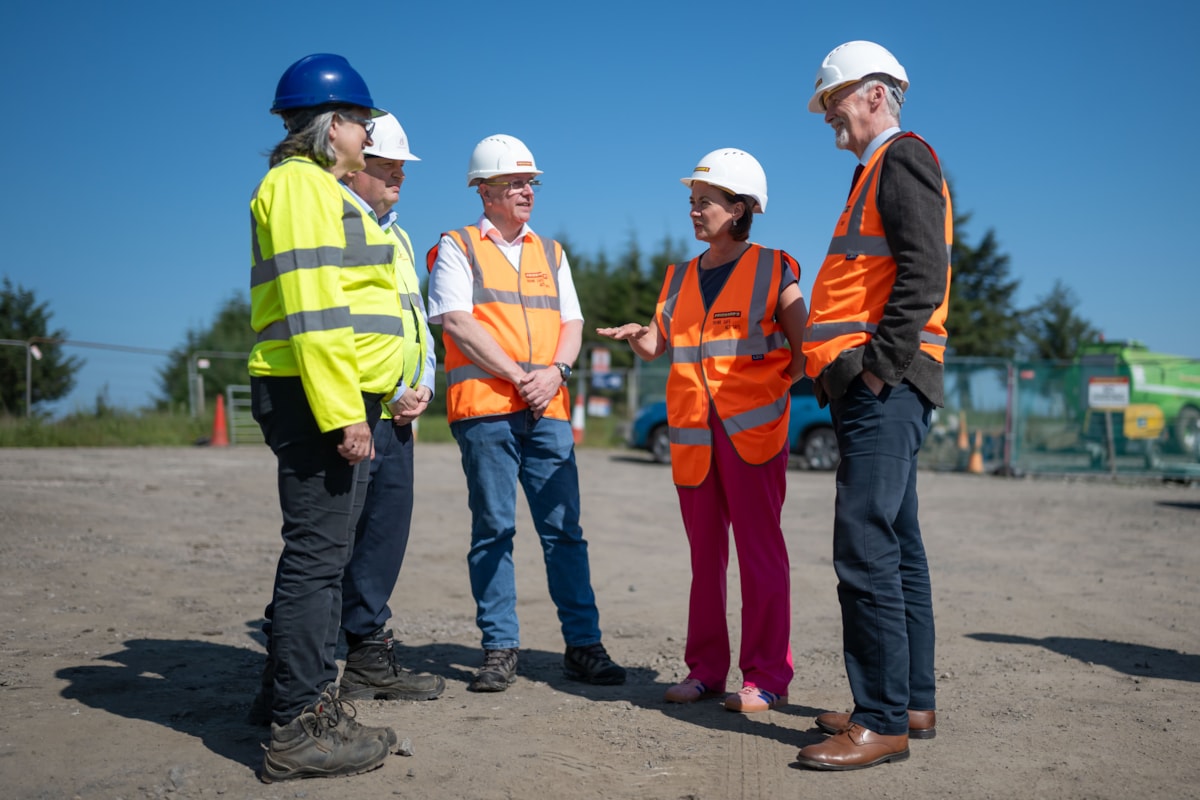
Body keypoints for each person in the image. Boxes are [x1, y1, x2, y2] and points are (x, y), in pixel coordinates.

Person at [597, 149, 807, 714]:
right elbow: (661, 346)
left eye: (705, 203)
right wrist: (641, 336)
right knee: (705, 558)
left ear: (739, 209)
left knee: (761, 555)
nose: (694, 212)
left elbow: (805, 346)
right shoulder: (679, 277)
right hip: (694, 438)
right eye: (691, 203)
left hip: (753, 435)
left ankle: (766, 677)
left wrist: (773, 387)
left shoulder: (774, 267)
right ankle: (706, 671)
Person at [793, 41, 952, 771]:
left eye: (835, 102)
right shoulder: (875, 170)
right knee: (898, 543)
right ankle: (907, 699)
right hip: (880, 385)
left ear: (875, 96)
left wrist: (878, 374)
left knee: (864, 543)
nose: (829, 117)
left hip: (883, 386)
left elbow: (923, 273)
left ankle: (881, 720)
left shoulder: (902, 158)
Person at [248, 53, 403, 782]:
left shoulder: (317, 188)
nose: (369, 135)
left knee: (319, 555)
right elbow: (315, 309)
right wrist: (346, 414)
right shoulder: (303, 187)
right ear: (330, 125)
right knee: (317, 561)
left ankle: (299, 702)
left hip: (325, 395)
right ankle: (298, 727)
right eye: (362, 122)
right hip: (319, 400)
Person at [425, 133, 625, 693]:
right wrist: (520, 377)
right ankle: (499, 648)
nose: (526, 192)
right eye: (514, 183)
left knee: (566, 531)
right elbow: (457, 321)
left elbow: (573, 324)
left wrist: (555, 374)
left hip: (549, 407)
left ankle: (583, 647)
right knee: (494, 528)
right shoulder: (456, 246)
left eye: (530, 183)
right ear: (483, 190)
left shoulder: (551, 252)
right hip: (487, 409)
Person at [334, 113, 446, 703]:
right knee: (330, 539)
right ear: (356, 165)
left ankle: (367, 654)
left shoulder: (398, 235)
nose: (400, 173)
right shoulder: (336, 223)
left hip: (398, 413)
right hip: (354, 409)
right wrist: (373, 396)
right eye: (388, 164)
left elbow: (414, 325)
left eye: (403, 165)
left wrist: (423, 383)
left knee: (383, 535)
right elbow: (331, 326)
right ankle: (290, 666)